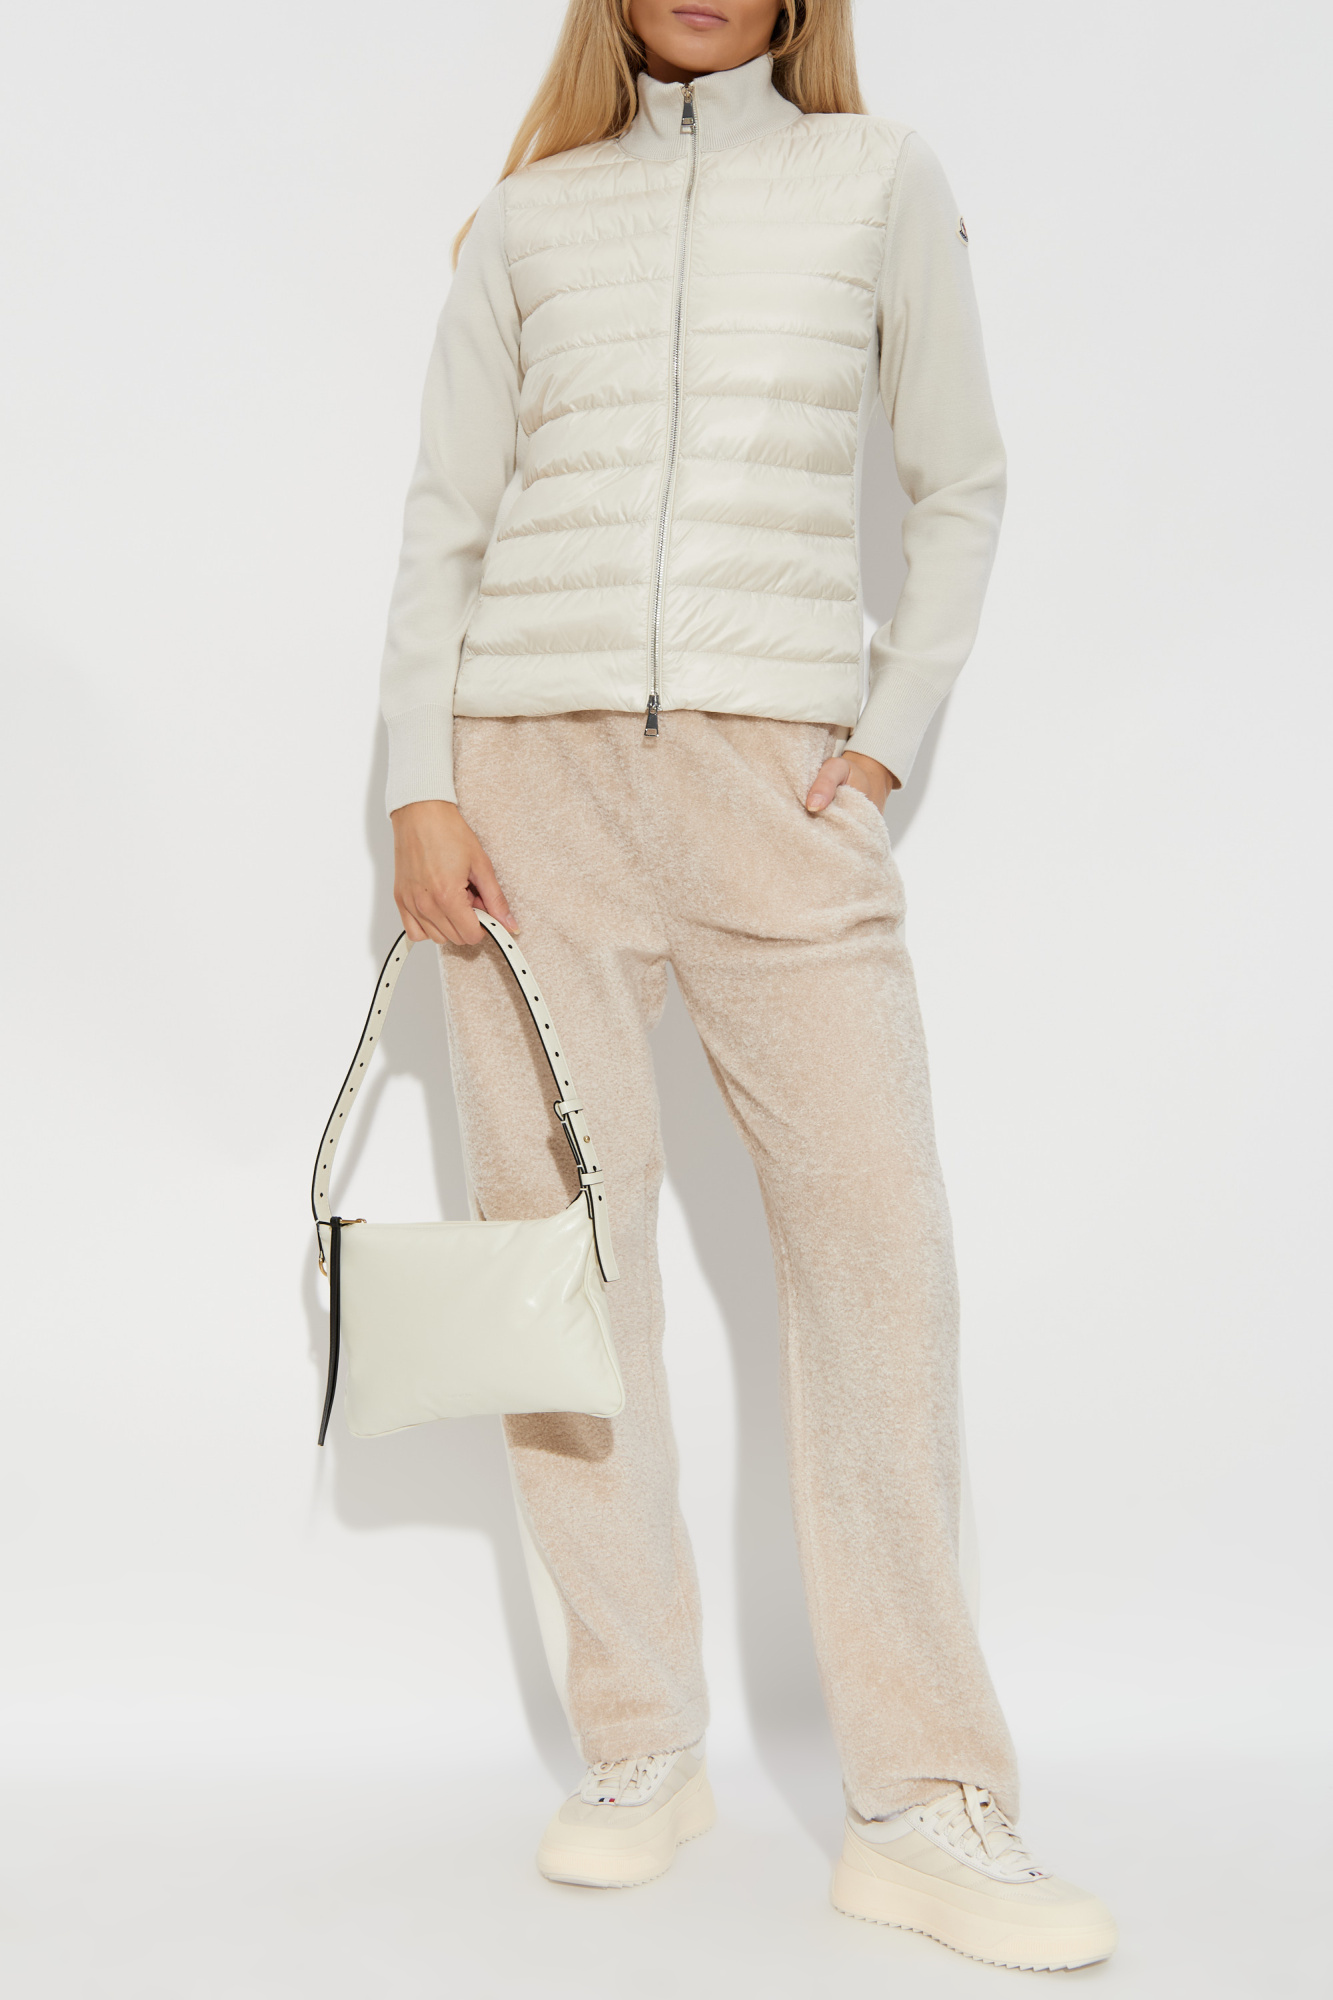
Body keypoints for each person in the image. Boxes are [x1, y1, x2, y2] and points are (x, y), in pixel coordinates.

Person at [378, 0, 1115, 1971]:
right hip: (525, 790)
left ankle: (923, 1795)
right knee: (561, 1269)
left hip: (770, 789)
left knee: (880, 1263)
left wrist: (878, 740)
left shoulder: (878, 180)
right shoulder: (530, 215)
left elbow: (959, 482)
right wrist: (418, 784)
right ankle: (637, 1740)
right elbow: (446, 519)